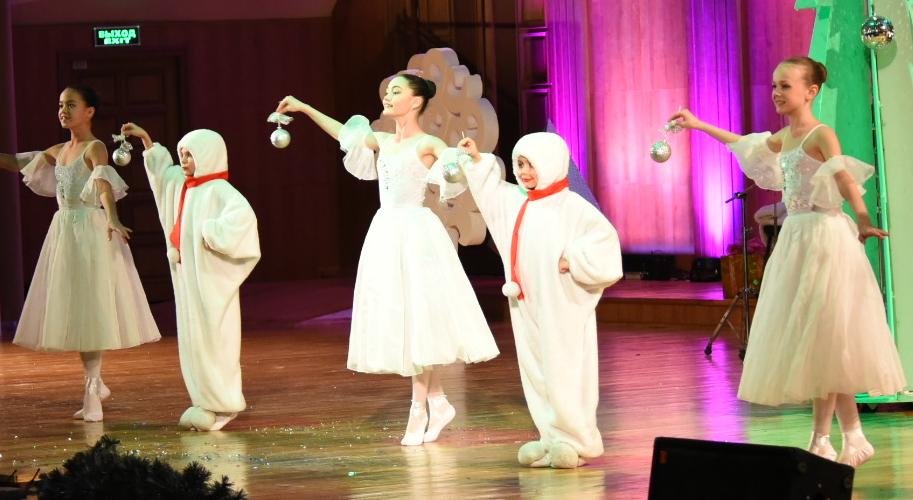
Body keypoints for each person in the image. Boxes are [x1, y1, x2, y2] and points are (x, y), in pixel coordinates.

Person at [670, 57, 906, 466]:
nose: (777, 93)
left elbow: (843, 177)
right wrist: (699, 124)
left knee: (825, 337)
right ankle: (846, 438)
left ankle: (827, 440)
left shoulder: (821, 133)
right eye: (775, 85)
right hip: (797, 237)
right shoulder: (786, 135)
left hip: (824, 237)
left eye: (786, 86)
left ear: (810, 92)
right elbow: (745, 143)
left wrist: (864, 219)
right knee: (819, 341)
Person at [276, 74, 498, 445]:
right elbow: (343, 133)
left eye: (397, 91)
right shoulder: (380, 140)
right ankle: (438, 401)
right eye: (388, 91)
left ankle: (418, 409)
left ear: (415, 101)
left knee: (418, 318)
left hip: (416, 234)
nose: (388, 96)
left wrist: (467, 155)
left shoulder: (427, 143)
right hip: (386, 232)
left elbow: (455, 166)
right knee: (405, 319)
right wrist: (303, 107)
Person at [0, 85, 159, 422]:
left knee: (92, 310)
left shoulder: (95, 147)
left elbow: (103, 184)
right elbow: (17, 161)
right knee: (77, 310)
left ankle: (91, 390)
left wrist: (112, 217)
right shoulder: (60, 150)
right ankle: (96, 383)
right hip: (65, 231)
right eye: (61, 104)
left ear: (89, 111)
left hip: (90, 231)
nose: (63, 110)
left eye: (71, 105)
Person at [458, 131, 623, 469]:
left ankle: (576, 441)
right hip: (526, 303)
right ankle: (550, 438)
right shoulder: (519, 201)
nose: (523, 172)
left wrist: (574, 258)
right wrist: (476, 160)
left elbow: (605, 241)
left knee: (564, 369)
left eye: (530, 165)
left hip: (561, 304)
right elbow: (491, 192)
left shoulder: (572, 206)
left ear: (549, 163)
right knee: (535, 369)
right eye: (519, 164)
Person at [122, 123, 259, 431]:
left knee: (215, 338)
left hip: (210, 277)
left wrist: (211, 232)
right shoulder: (182, 184)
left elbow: (244, 223)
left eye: (190, 155)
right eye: (181, 154)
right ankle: (203, 399)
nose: (183, 160)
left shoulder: (220, 190)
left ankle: (224, 402)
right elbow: (162, 176)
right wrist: (147, 141)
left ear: (207, 155)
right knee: (193, 338)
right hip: (187, 277)